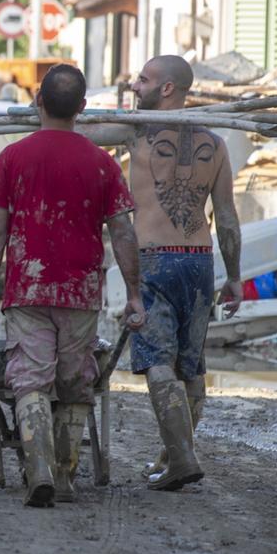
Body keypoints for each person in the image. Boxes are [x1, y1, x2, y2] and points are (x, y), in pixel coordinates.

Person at [0, 65, 145, 507]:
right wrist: (134, 294)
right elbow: (123, 233)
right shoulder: (102, 163)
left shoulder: (12, 157)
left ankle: (39, 470)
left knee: (29, 380)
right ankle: (65, 478)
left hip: (27, 288)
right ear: (83, 109)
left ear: (38, 102)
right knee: (74, 382)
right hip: (80, 291)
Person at [81, 55, 243, 491]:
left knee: (156, 361)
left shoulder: (138, 131)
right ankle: (174, 455)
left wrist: (55, 116)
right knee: (191, 366)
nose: (135, 85)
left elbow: (80, 132)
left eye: (143, 80)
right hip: (198, 261)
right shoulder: (215, 141)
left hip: (154, 258)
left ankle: (182, 458)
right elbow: (226, 218)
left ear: (167, 89)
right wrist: (233, 276)